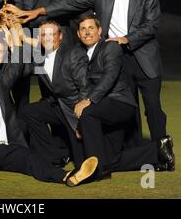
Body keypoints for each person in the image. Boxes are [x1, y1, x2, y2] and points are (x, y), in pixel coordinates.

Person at [7, 0, 173, 147]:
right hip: (115, 55)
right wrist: (34, 12)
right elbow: (68, 4)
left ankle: (162, 152)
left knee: (153, 107)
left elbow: (151, 25)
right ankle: (137, 150)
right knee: (128, 106)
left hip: (143, 56)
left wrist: (126, 38)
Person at [0, 60, 98, 189]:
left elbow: (15, 66)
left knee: (34, 160)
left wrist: (15, 36)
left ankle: (68, 176)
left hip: (10, 148)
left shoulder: (1, 88)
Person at [73, 15, 175, 182]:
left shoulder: (110, 47)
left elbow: (110, 76)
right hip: (106, 106)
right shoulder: (83, 54)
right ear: (78, 34)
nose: (87, 32)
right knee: (111, 158)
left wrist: (88, 101)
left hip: (121, 103)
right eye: (83, 29)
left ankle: (98, 170)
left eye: (91, 28)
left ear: (100, 31)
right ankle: (158, 151)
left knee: (88, 113)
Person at [19, 20, 89, 168]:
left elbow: (85, 88)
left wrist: (81, 120)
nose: (48, 38)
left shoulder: (73, 54)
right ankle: (55, 155)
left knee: (82, 161)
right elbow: (25, 71)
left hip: (74, 108)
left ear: (60, 36)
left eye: (52, 34)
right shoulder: (40, 57)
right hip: (57, 105)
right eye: (44, 35)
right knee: (29, 112)